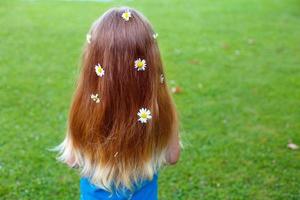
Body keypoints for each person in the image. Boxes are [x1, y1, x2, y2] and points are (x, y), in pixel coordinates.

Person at [55, 7, 181, 200]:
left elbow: (72, 160)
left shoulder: (85, 109)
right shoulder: (159, 110)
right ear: (152, 62)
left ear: (93, 62)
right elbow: (172, 156)